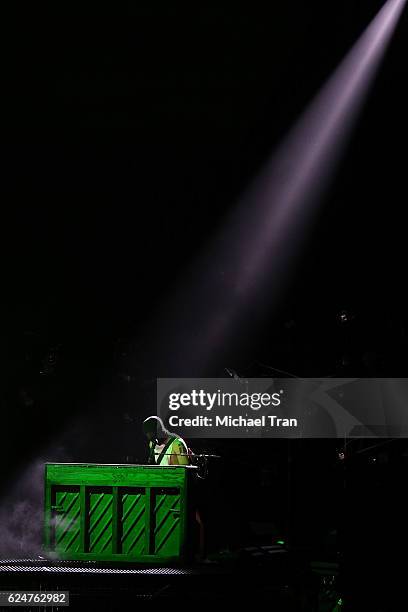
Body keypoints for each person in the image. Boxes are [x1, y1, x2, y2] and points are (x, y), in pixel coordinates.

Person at [142, 415, 206, 560]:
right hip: (161, 491)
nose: (149, 438)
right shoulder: (153, 444)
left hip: (178, 492)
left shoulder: (177, 443)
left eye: (151, 434)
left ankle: (195, 555)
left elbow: (184, 472)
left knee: (193, 521)